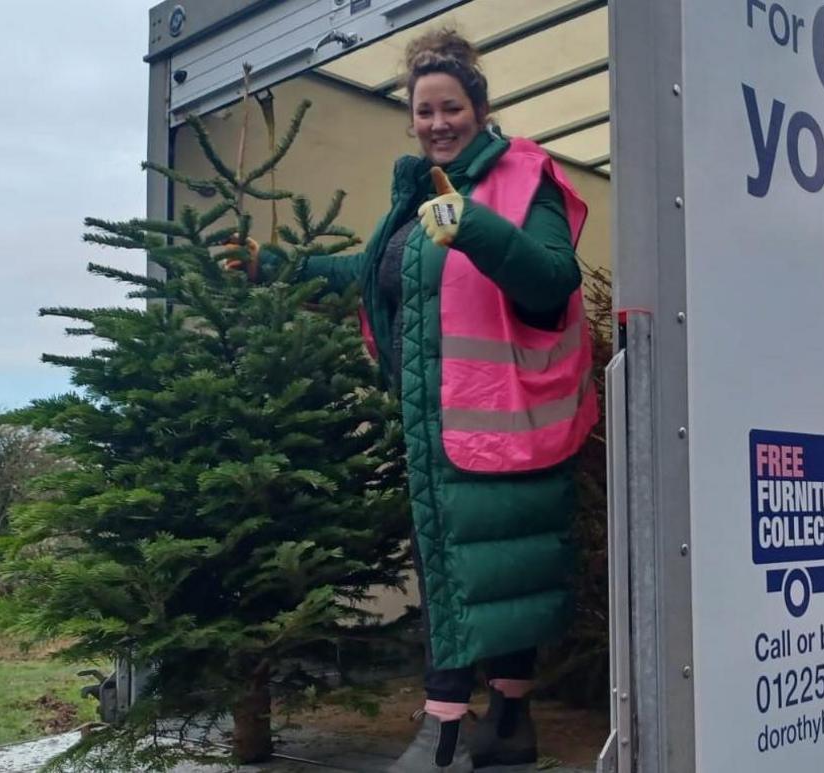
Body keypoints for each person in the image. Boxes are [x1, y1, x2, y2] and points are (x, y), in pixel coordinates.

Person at [234, 29, 594, 773]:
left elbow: (554, 279)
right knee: (485, 571)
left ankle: (446, 735)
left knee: (471, 573)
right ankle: (508, 728)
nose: (437, 123)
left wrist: (477, 227)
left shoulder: (526, 180)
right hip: (444, 422)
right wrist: (275, 267)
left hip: (500, 416)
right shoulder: (413, 199)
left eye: (451, 107)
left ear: (481, 106)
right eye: (424, 111)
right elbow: (366, 274)